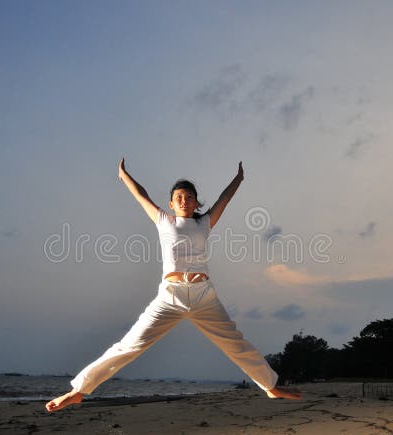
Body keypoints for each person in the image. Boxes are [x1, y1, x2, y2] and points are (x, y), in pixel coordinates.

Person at [45, 158, 301, 412]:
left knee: (236, 344)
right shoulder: (164, 221)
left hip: (204, 297)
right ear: (171, 203)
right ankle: (78, 391)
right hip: (170, 297)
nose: (183, 200)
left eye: (189, 197)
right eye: (178, 196)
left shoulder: (205, 223)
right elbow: (141, 195)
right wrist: (124, 176)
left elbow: (225, 199)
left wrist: (238, 179)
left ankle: (270, 386)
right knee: (129, 346)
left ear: (196, 202)